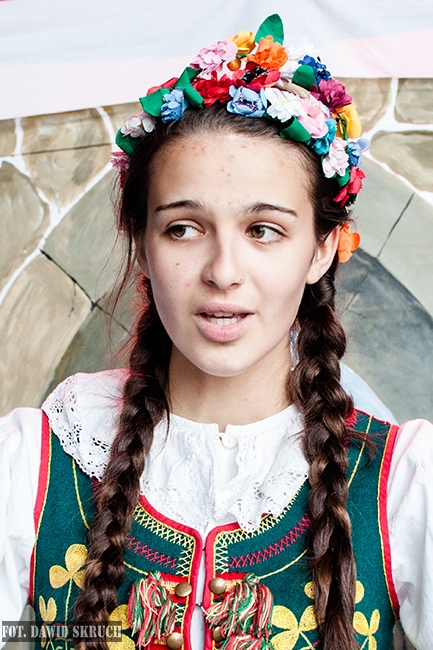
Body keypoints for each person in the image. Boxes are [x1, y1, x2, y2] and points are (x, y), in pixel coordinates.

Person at [0, 13, 432, 650]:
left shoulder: (403, 484)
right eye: (183, 228)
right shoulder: (31, 464)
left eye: (264, 230)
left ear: (322, 248)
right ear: (142, 245)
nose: (223, 272)